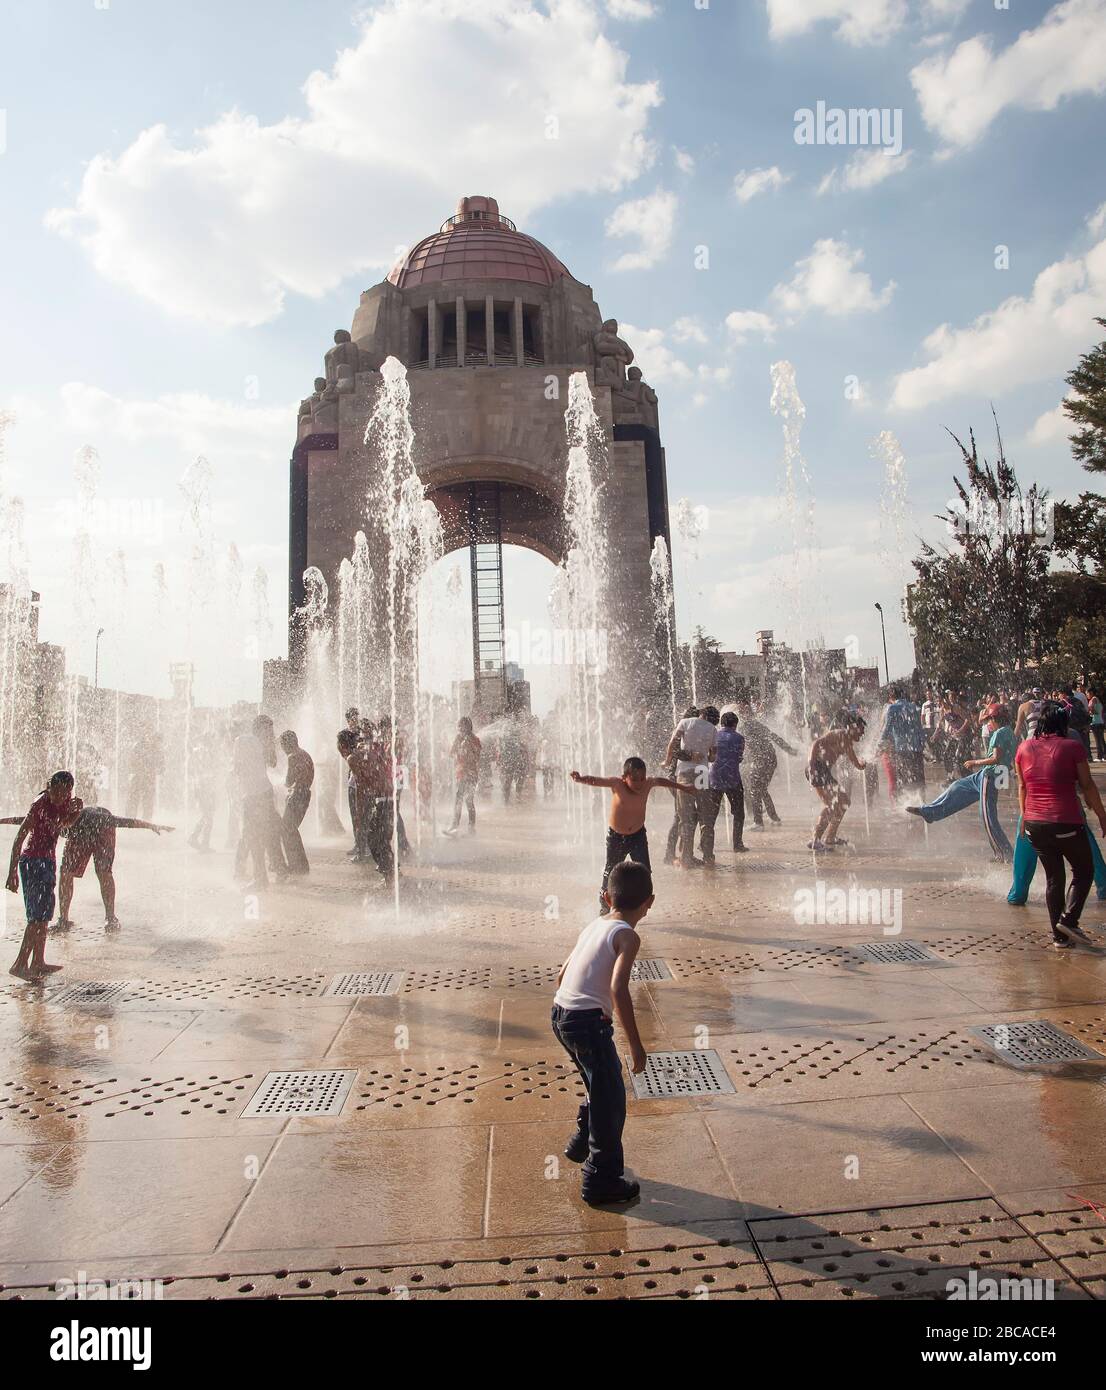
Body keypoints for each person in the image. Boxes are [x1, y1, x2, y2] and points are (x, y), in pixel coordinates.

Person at [552, 859, 652, 1206]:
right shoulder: (628, 935)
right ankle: (601, 1179)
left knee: (601, 1083)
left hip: (561, 1014)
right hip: (587, 1023)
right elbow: (618, 989)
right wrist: (636, 1046)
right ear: (648, 903)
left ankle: (583, 1138)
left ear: (607, 898)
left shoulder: (595, 925)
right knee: (612, 1099)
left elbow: (562, 975)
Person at [1014, 702, 1106, 947]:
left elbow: (1022, 786)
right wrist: (1102, 815)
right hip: (1064, 820)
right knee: (1084, 871)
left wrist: (1024, 817)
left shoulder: (1023, 748)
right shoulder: (1072, 747)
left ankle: (1059, 938)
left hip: (1035, 824)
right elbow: (1087, 786)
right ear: (1063, 724)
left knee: (1054, 878)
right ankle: (1069, 920)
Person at [572, 758, 696, 911]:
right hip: (616, 838)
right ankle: (605, 907)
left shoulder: (647, 784)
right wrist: (580, 779)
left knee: (644, 871)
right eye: (634, 779)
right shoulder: (617, 784)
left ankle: (641, 905)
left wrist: (682, 787)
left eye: (642, 778)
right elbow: (597, 781)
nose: (639, 783)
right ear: (625, 777)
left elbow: (662, 781)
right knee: (610, 872)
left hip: (638, 836)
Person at [906, 704, 1015, 860]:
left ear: (995, 718)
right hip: (997, 775)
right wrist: (986, 717)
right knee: (957, 787)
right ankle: (929, 812)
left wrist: (974, 762)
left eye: (990, 719)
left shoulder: (999, 734)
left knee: (988, 816)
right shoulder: (1009, 732)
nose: (988, 722)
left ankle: (1005, 854)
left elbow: (995, 758)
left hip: (990, 776)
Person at [6, 772, 83, 980]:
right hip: (32, 862)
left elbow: (62, 825)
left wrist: (76, 814)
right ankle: (20, 964)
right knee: (36, 917)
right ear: (49, 787)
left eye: (65, 792)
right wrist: (12, 871)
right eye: (56, 791)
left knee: (46, 914)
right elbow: (20, 837)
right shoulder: (39, 803)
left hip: (47, 861)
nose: (60, 796)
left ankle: (38, 961)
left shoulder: (66, 801)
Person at [233, 719, 287, 890]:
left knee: (254, 835)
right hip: (264, 793)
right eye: (268, 730)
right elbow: (271, 763)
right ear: (258, 729)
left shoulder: (242, 741)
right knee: (268, 833)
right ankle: (279, 869)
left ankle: (260, 878)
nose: (270, 733)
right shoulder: (246, 741)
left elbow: (238, 769)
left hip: (253, 795)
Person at [664, 705, 719, 868]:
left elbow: (672, 745)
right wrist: (703, 755)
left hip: (685, 773)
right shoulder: (712, 729)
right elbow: (712, 756)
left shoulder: (685, 723)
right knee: (705, 817)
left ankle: (686, 857)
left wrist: (666, 762)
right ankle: (708, 856)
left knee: (686, 818)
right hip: (702, 772)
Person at [337, 728, 395, 883]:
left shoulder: (352, 758)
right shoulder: (363, 751)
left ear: (342, 745)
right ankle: (391, 872)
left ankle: (390, 875)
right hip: (386, 795)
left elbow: (361, 785)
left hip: (381, 798)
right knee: (381, 838)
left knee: (374, 839)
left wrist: (360, 812)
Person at [806, 713, 867, 852]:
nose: (862, 733)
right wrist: (811, 765)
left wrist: (862, 764)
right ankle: (815, 839)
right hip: (817, 768)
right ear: (852, 727)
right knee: (831, 805)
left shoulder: (847, 743)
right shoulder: (839, 734)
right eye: (861, 729)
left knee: (844, 801)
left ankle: (830, 837)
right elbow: (816, 743)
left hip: (823, 771)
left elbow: (856, 763)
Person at [736, 701, 796, 829]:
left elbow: (743, 746)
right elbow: (774, 737)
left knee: (754, 789)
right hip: (771, 759)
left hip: (761, 761)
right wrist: (789, 749)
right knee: (762, 789)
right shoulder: (758, 724)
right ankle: (774, 817)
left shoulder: (743, 727)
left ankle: (758, 822)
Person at [704, 711, 747, 855]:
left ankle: (704, 844)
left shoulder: (713, 735)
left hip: (714, 778)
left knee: (711, 814)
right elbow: (739, 757)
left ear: (721, 723)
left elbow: (709, 755)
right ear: (735, 724)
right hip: (732, 779)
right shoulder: (740, 738)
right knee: (739, 813)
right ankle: (738, 845)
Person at [878, 684, 926, 805]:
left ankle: (908, 808)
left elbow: (886, 730)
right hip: (916, 750)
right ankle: (922, 806)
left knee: (904, 781)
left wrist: (878, 745)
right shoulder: (914, 707)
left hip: (902, 750)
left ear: (891, 695)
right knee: (919, 781)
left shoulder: (893, 708)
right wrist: (922, 747)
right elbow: (920, 729)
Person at [279, 730, 314, 874]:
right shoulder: (305, 754)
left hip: (296, 795)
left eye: (282, 744)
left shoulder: (292, 756)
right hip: (305, 794)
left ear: (287, 744)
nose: (281, 748)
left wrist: (284, 785)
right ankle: (302, 865)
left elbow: (288, 781)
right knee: (291, 829)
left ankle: (295, 866)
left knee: (286, 829)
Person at [443, 717, 481, 836]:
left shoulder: (474, 740)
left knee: (468, 800)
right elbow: (451, 753)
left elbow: (476, 757)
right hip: (461, 773)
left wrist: (467, 745)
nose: (460, 729)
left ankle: (470, 826)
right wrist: (458, 746)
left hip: (471, 774)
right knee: (459, 799)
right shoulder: (458, 738)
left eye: (462, 726)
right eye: (459, 726)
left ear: (468, 727)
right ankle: (456, 826)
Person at [1089, 687, 1105, 761]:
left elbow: (1091, 708)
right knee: (1101, 739)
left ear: (1091, 693)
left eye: (1087, 693)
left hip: (1095, 722)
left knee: (1098, 740)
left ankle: (1099, 756)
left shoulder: (1094, 699)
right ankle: (1104, 755)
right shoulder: (1099, 699)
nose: (1087, 695)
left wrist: (1090, 712)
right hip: (1100, 721)